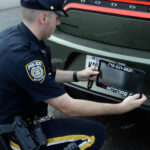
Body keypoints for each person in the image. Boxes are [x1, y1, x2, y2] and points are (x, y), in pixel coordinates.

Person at [0, 0, 147, 149]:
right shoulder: (26, 58)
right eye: (57, 17)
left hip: (12, 118)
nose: (58, 23)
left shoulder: (13, 36)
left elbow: (46, 75)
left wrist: (78, 75)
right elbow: (69, 107)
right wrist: (120, 108)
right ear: (43, 18)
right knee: (93, 134)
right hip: (13, 135)